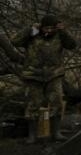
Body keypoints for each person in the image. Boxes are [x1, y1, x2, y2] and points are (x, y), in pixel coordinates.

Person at [12, 14, 77, 143]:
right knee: (33, 105)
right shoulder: (32, 34)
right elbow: (15, 41)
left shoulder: (59, 35)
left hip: (54, 74)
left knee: (56, 102)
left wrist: (63, 30)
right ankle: (32, 136)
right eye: (46, 28)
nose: (49, 31)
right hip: (33, 75)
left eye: (51, 28)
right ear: (41, 27)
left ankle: (56, 133)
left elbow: (72, 45)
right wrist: (30, 30)